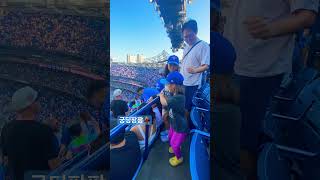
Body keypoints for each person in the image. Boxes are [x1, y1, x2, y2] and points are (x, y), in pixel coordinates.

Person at [223, 1, 318, 179]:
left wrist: (270, 28)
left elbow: (308, 15)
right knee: (233, 134)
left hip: (259, 68)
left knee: (244, 140)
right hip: (234, 64)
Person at [1, 86, 61, 180]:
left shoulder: (6, 129)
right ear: (30, 105)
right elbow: (55, 166)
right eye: (36, 99)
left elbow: (6, 161)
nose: (39, 102)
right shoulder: (44, 130)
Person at [180, 19, 210, 128]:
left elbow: (206, 66)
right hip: (184, 82)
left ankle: (190, 129)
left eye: (190, 35)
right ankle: (187, 126)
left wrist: (195, 70)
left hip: (193, 84)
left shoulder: (203, 45)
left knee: (190, 108)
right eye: (185, 37)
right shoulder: (186, 47)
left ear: (196, 32)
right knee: (184, 106)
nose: (187, 39)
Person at [159, 71, 189, 167]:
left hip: (180, 127)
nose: (166, 86)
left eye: (168, 84)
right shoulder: (175, 95)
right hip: (174, 123)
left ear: (174, 86)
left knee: (174, 144)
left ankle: (179, 158)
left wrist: (160, 95)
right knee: (170, 137)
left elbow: (164, 103)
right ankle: (176, 146)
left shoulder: (179, 98)